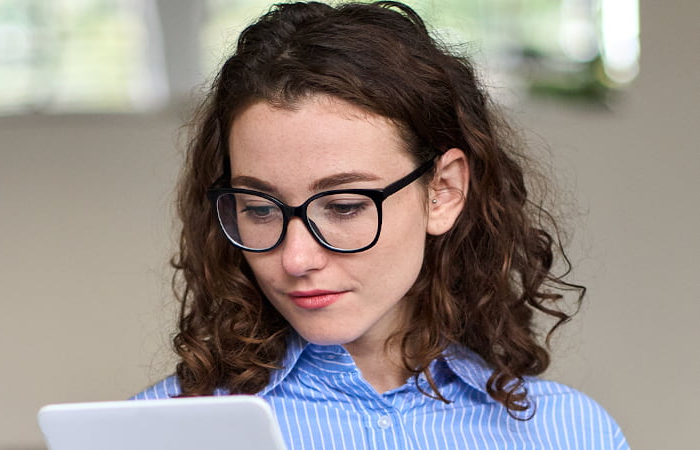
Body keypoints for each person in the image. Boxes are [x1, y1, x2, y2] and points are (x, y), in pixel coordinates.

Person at [133, 1, 629, 448]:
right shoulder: (155, 431)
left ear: (443, 191)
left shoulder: (569, 432)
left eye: (345, 206)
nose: (296, 259)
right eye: (260, 209)